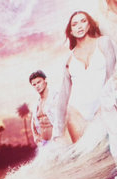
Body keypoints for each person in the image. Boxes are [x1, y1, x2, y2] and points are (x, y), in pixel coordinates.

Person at [56, 11, 117, 144]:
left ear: (89, 25)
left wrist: (105, 105)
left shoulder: (104, 43)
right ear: (71, 31)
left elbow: (111, 76)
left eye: (83, 21)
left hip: (105, 107)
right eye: (75, 24)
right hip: (78, 113)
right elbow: (63, 94)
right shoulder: (68, 59)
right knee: (85, 156)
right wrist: (57, 131)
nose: (79, 26)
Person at [29, 70, 61, 147]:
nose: (37, 86)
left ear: (45, 80)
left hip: (57, 141)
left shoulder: (56, 97)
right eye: (34, 84)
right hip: (44, 143)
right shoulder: (36, 103)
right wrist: (35, 136)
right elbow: (33, 120)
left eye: (39, 82)